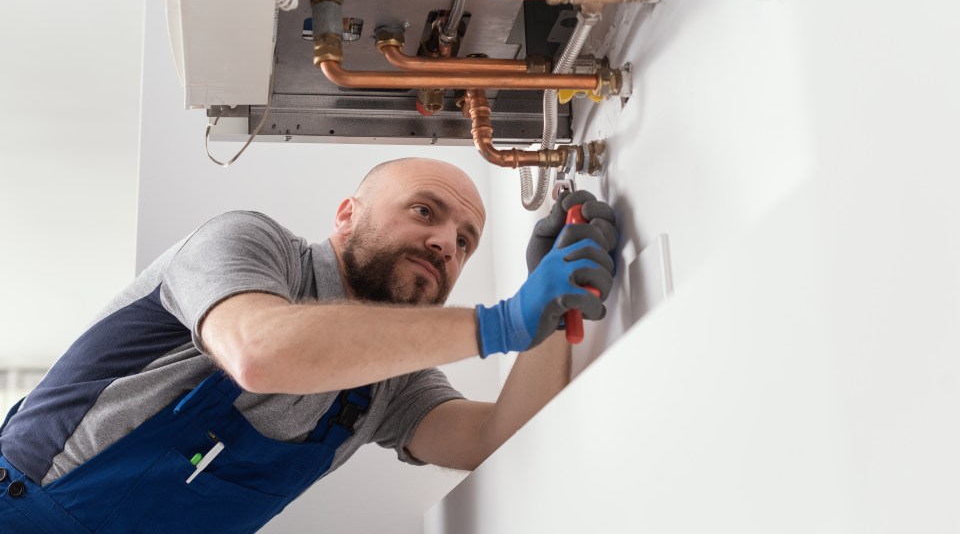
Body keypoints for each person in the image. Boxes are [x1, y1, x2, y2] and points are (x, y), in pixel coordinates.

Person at [0, 157, 616, 533]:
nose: (445, 244)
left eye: (465, 241)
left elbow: (493, 439)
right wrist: (503, 321)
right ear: (346, 214)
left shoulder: (390, 378)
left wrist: (549, 315)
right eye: (424, 211)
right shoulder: (250, 245)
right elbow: (258, 351)